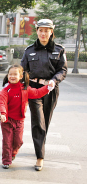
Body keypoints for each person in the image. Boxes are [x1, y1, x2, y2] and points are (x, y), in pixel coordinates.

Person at [20, 19, 67, 171]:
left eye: (46, 30)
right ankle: (40, 156)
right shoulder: (29, 50)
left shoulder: (59, 50)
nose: (43, 33)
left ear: (51, 32)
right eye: (41, 30)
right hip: (34, 89)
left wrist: (54, 80)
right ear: (37, 31)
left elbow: (63, 70)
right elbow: (23, 70)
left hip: (51, 89)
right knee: (38, 121)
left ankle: (40, 145)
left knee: (45, 120)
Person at [0, 65, 54, 169]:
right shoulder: (5, 91)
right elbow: (1, 102)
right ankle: (6, 160)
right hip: (7, 121)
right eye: (10, 74)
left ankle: (13, 153)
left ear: (21, 76)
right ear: (7, 75)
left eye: (15, 74)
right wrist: (3, 113)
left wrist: (48, 87)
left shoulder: (25, 89)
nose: (12, 76)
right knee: (7, 141)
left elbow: (37, 93)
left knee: (18, 141)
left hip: (19, 121)